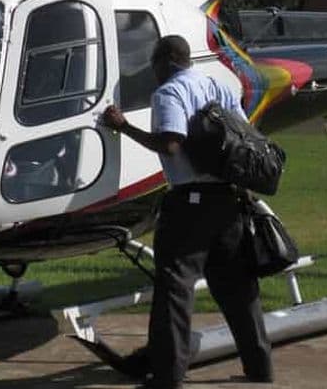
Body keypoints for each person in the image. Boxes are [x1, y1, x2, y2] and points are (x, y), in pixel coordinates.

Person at [101, 35, 272, 388]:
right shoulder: (218, 87)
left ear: (164, 62)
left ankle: (167, 378)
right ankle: (260, 369)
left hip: (190, 205)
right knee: (240, 290)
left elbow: (170, 142)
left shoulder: (168, 92)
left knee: (175, 291)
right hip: (230, 201)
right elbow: (246, 135)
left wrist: (124, 127)